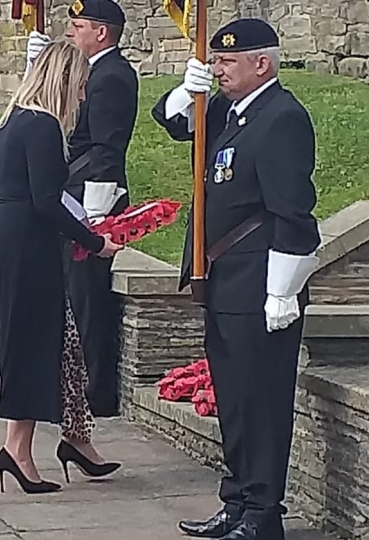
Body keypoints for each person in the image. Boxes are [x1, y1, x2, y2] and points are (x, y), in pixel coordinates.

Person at [150, 18, 321, 540]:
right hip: (225, 281)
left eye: (226, 62)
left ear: (261, 64)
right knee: (233, 400)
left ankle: (264, 515)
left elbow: (294, 213)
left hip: (259, 285)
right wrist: (187, 88)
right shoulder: (229, 110)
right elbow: (174, 122)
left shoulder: (282, 118)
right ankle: (238, 503)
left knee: (261, 402)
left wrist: (282, 289)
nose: (217, 69)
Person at [0, 39, 123, 494]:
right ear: (64, 82)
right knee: (32, 344)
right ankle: (19, 451)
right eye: (80, 86)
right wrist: (95, 240)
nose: (83, 97)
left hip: (9, 239)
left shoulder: (13, 122)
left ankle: (50, 442)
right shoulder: (42, 125)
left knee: (47, 343)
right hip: (27, 245)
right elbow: (46, 201)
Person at [25, 0, 139, 417]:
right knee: (76, 296)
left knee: (90, 300)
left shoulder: (110, 77)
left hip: (93, 198)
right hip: (74, 194)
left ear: (102, 32)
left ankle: (97, 393)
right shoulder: (93, 72)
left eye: (78, 26)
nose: (70, 32)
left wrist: (94, 215)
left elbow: (107, 148)